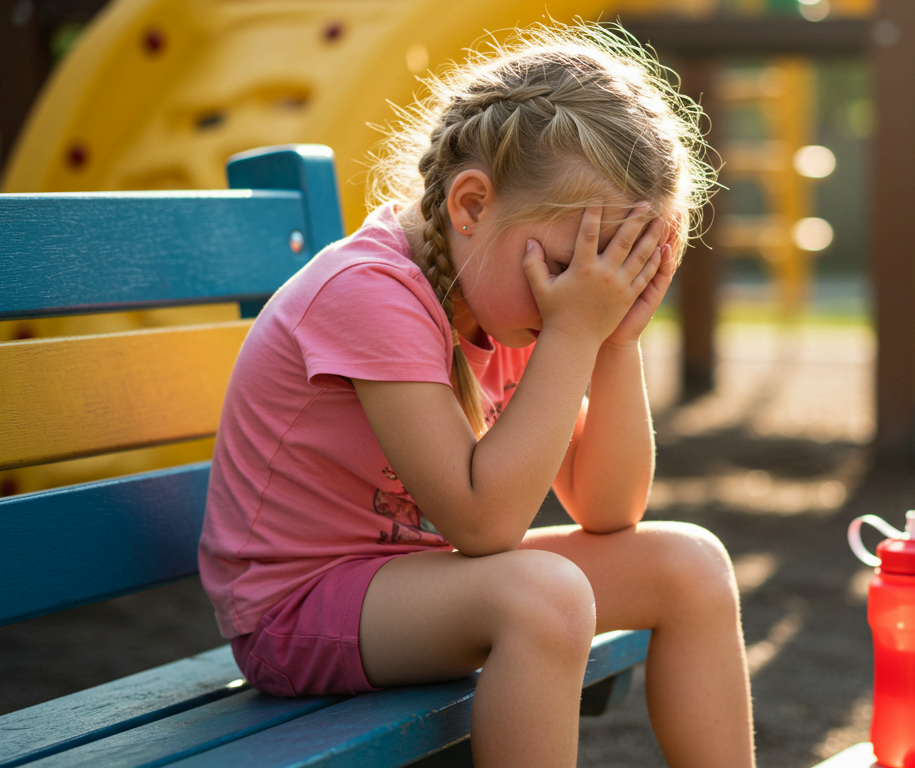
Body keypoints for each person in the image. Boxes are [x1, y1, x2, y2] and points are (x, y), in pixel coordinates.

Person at [198, 23, 755, 767]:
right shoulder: (370, 292)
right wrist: (573, 332)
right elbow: (484, 524)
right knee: (545, 596)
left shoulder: (514, 294)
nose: (588, 293)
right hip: (297, 612)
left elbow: (608, 508)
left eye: (614, 274)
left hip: (423, 588)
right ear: (470, 204)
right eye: (573, 265)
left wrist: (613, 340)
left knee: (692, 565)